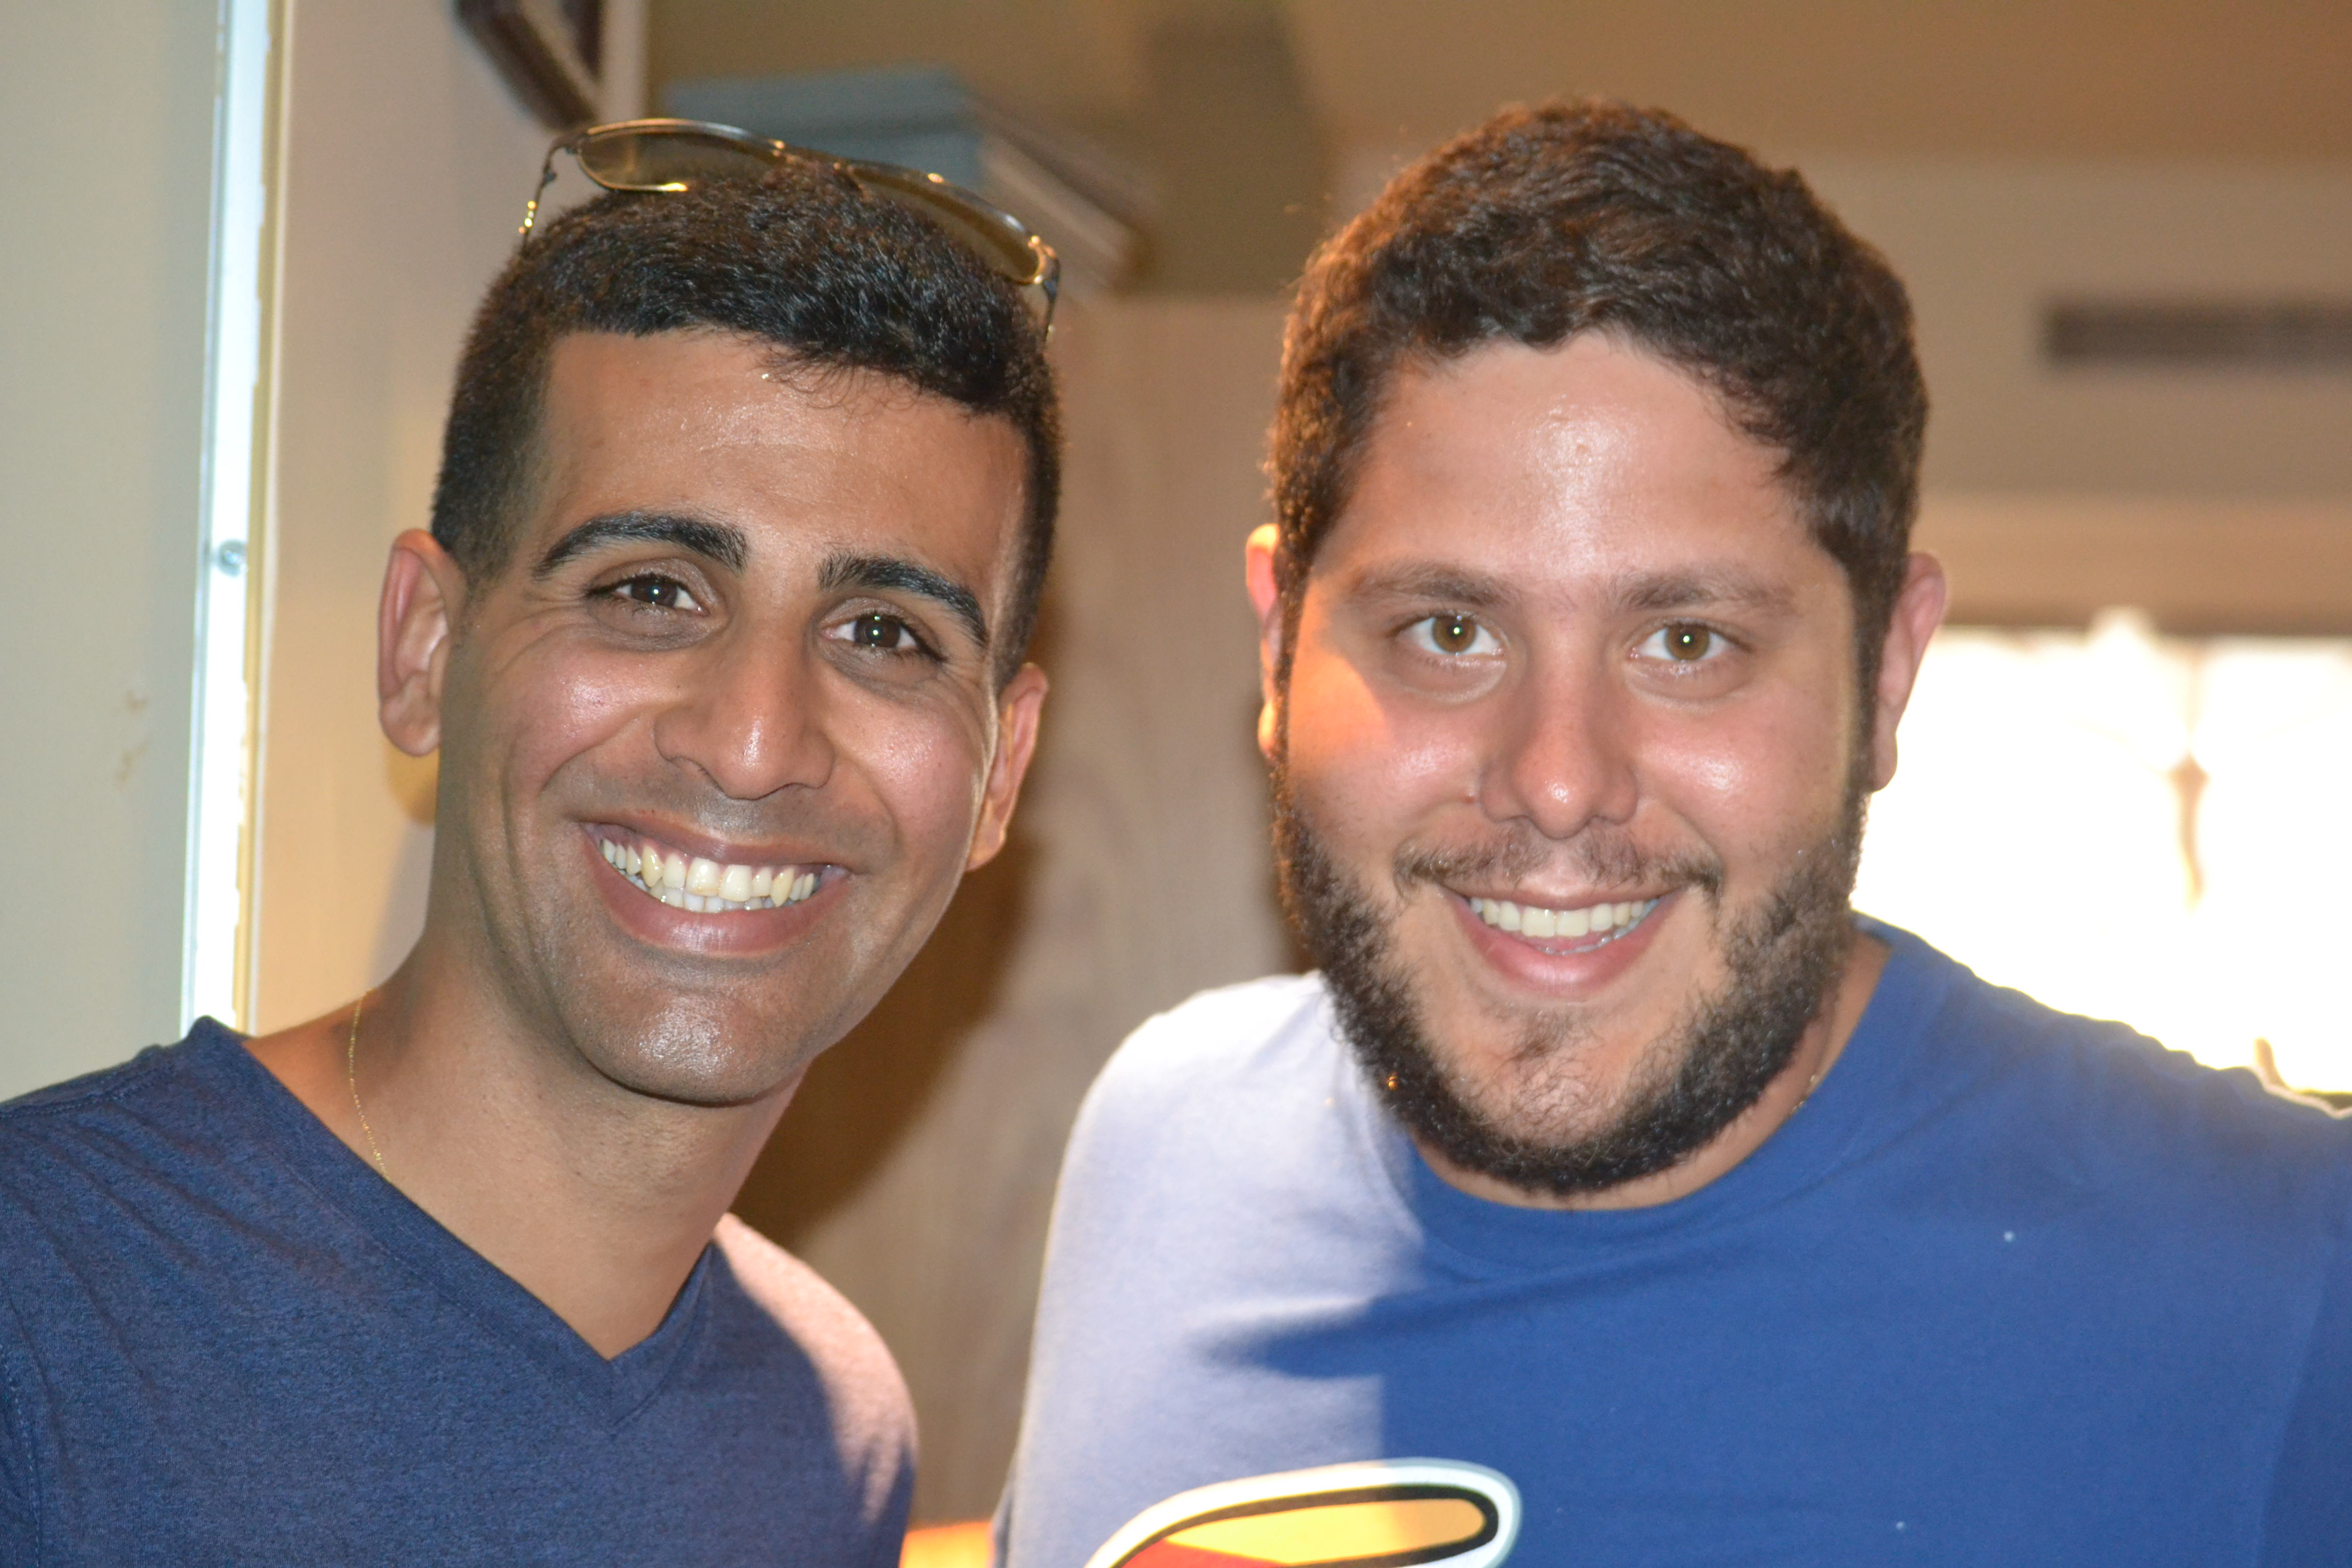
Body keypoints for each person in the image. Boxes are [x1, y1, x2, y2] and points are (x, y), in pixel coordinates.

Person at [1001, 100, 2352, 1567]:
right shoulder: (1160, 1148)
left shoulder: (2286, 1278)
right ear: (1278, 650)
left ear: (1887, 676)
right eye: (1447, 630)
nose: (1558, 781)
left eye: (1689, 642)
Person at [0, 120, 1061, 1565]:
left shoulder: (830, 1438)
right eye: (649, 591)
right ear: (426, 650)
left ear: (1002, 774)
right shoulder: (45, 1311)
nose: (756, 741)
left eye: (885, 633)